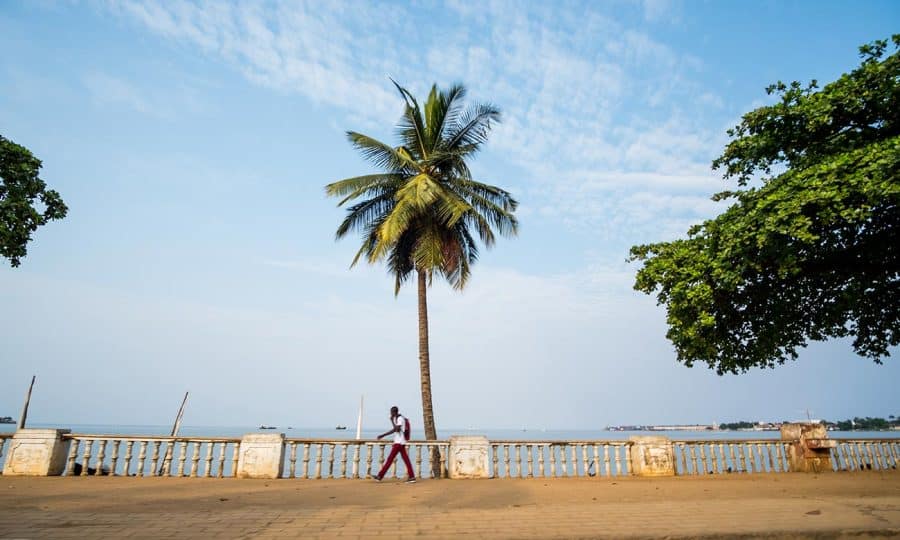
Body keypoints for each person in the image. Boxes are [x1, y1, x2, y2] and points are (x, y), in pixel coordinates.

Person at [372, 406, 416, 483]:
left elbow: (396, 429)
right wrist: (392, 421)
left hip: (399, 443)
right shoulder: (399, 418)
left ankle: (379, 476)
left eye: (391, 412)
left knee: (389, 460)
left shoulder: (400, 419)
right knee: (406, 460)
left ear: (394, 412)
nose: (390, 413)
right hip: (400, 442)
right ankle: (412, 477)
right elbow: (396, 429)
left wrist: (383, 435)